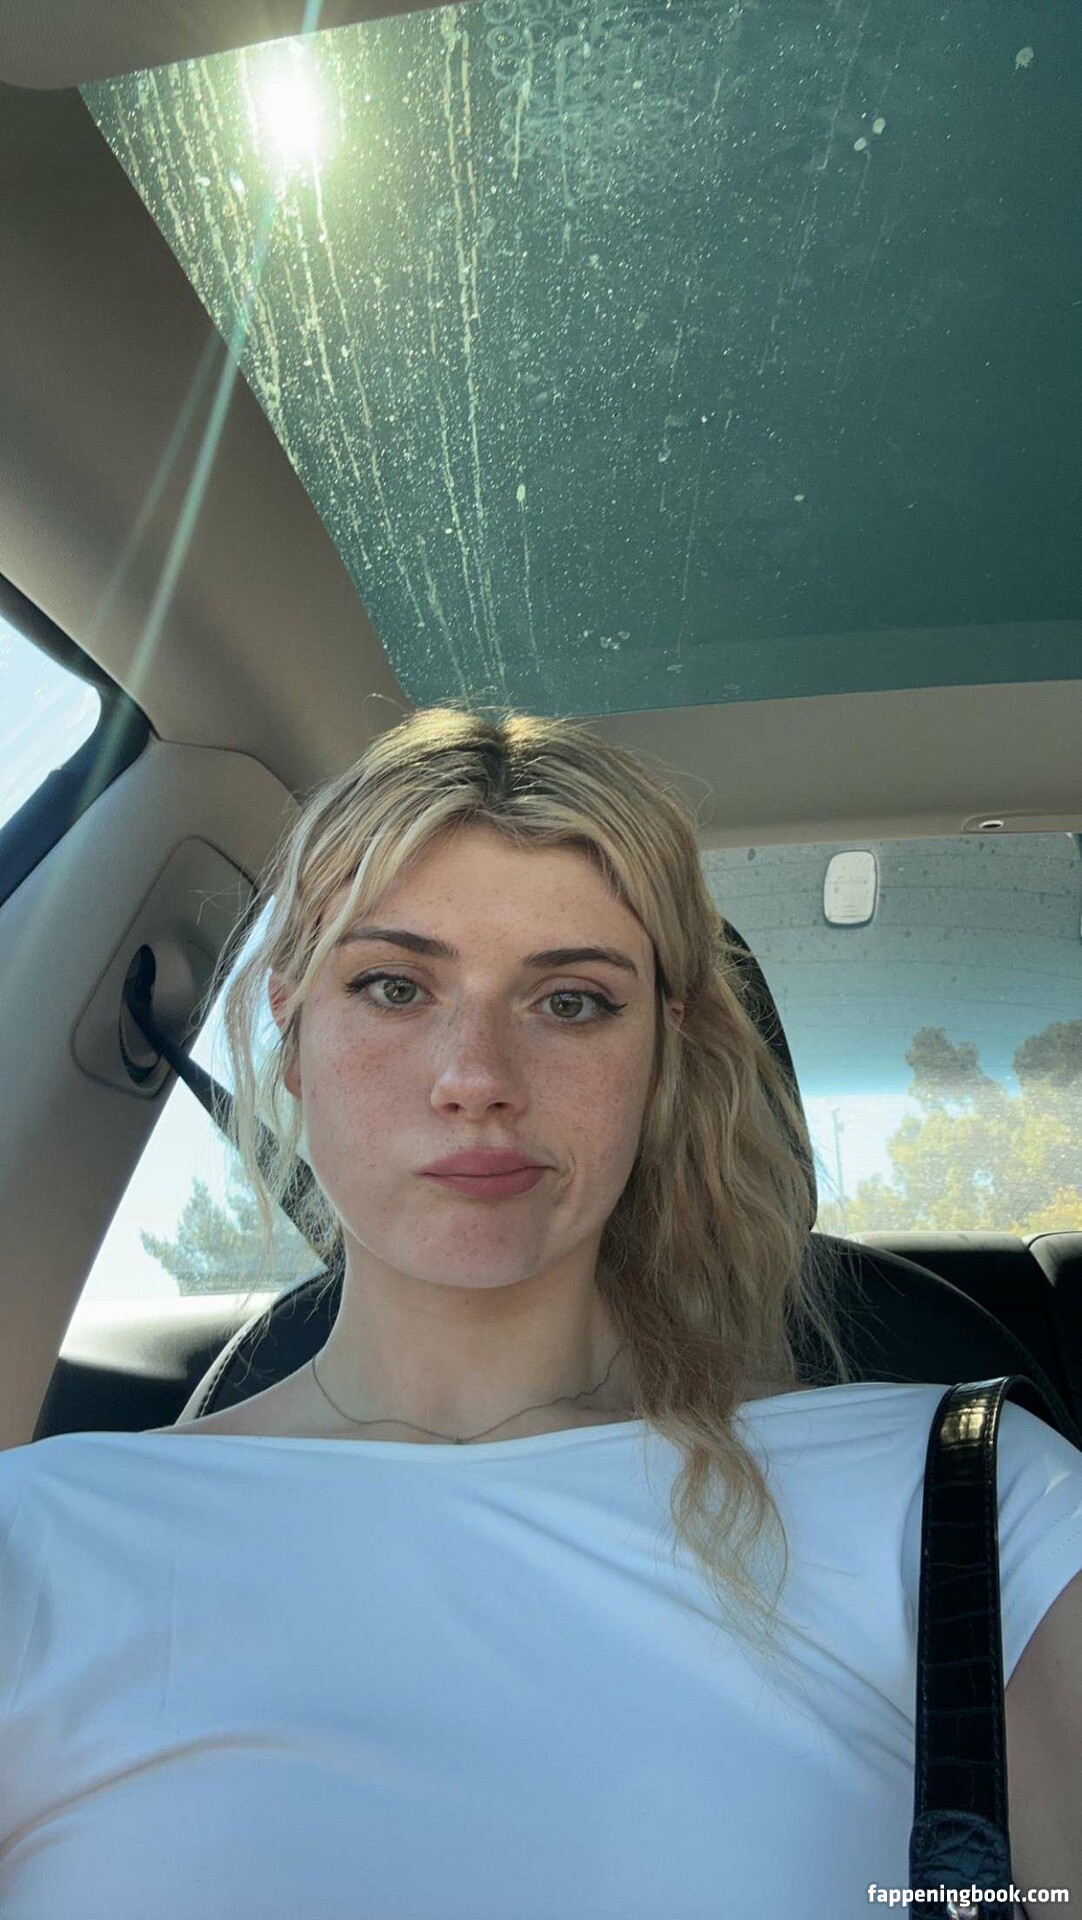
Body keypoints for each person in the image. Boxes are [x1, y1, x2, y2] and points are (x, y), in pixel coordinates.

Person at [1, 702, 1080, 1919]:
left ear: (661, 1054)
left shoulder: (970, 1506)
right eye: (395, 987)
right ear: (291, 1036)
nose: (477, 1079)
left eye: (570, 1001)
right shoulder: (34, 1544)